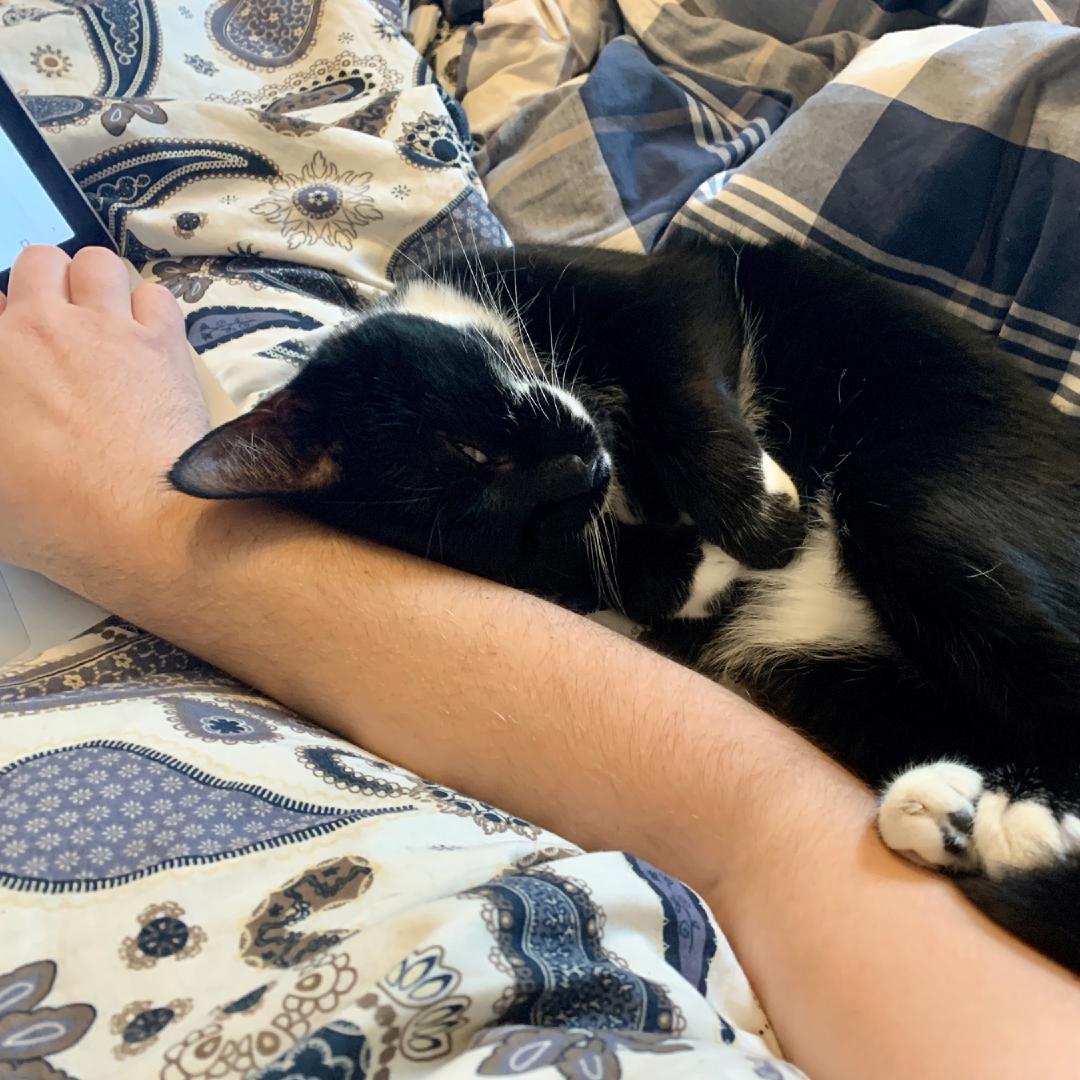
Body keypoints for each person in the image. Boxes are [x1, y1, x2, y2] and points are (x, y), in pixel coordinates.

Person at [1, 245, 1077, 1080]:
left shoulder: (478, 287)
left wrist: (136, 529)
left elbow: (681, 290)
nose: (569, 475)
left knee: (943, 564)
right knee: (875, 734)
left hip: (887, 429)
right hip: (820, 656)